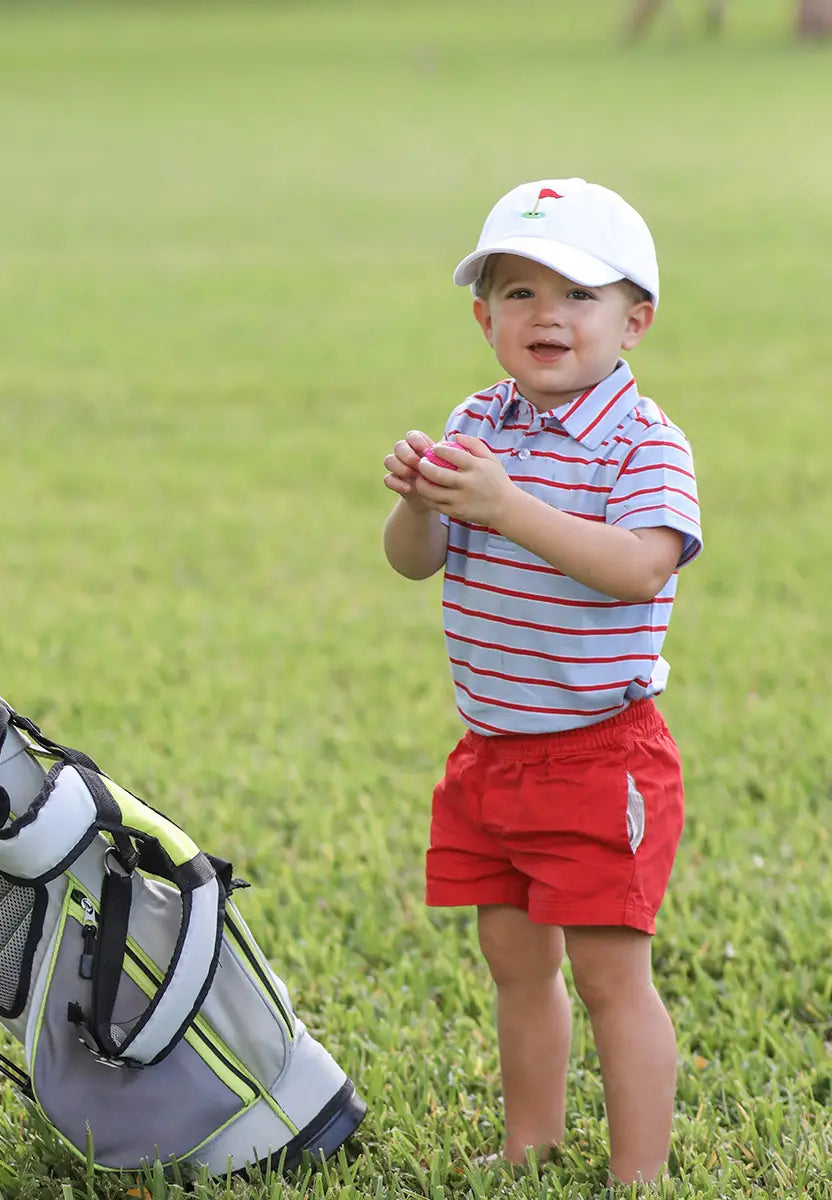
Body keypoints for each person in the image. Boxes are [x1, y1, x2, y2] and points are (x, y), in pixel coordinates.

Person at [381, 178, 702, 1186]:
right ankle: (533, 1142)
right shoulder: (479, 420)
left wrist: (507, 506)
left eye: (579, 294)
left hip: (600, 755)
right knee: (516, 964)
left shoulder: (643, 442)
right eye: (518, 293)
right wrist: (421, 502)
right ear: (484, 318)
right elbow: (414, 560)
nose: (546, 315)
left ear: (633, 318)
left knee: (613, 977)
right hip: (491, 753)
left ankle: (636, 1173)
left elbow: (640, 565)